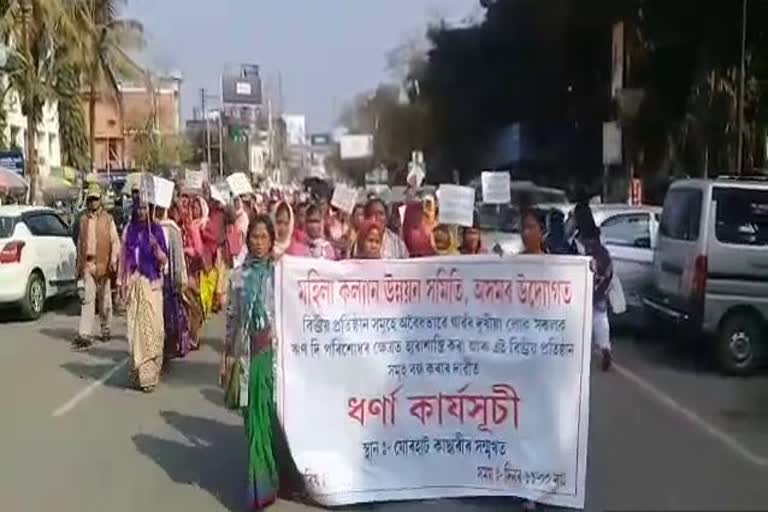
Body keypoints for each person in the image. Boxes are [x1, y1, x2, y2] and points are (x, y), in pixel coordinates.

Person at [221, 215, 279, 509]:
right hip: (245, 354)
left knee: (264, 420)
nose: (258, 242)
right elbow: (231, 318)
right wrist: (227, 356)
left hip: (271, 356)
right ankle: (262, 479)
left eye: (263, 237)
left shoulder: (281, 275)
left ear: (272, 241)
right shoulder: (237, 276)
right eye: (254, 237)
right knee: (250, 420)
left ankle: (262, 486)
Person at [122, 200, 168, 392]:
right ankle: (139, 374)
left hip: (152, 285)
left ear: (150, 210)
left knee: (154, 329)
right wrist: (122, 283)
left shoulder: (157, 230)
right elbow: (124, 259)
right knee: (135, 330)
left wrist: (156, 247)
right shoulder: (129, 230)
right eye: (138, 208)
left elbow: (164, 260)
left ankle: (151, 373)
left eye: (144, 208)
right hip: (135, 284)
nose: (141, 211)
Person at [74, 183, 120, 349]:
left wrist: (113, 259)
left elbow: (115, 242)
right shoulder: (83, 220)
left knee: (105, 301)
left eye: (96, 199)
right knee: (87, 299)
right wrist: (78, 266)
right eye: (91, 199)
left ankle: (105, 328)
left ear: (100, 200)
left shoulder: (108, 220)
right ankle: (84, 333)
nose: (93, 202)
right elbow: (80, 243)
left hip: (104, 264)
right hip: (88, 264)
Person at [573, 202, 613, 371]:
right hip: (601, 278)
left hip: (583, 280)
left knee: (580, 319)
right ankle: (605, 347)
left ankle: (579, 354)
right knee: (600, 315)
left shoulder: (578, 236)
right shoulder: (596, 234)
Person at [155, 205, 191, 361]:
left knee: (170, 314)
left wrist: (179, 278)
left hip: (169, 278)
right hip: (155, 277)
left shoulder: (172, 229)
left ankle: (170, 344)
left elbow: (177, 256)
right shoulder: (152, 228)